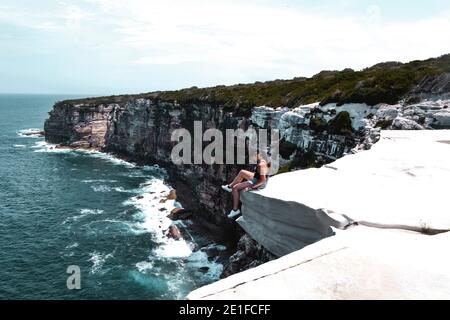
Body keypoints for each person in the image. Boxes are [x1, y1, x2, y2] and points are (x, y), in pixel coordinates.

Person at [222, 153, 271, 219]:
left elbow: (263, 180)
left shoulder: (261, 165)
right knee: (242, 172)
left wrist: (252, 187)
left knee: (235, 188)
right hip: (257, 178)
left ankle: (235, 210)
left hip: (259, 183)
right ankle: (229, 187)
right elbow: (261, 174)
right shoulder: (265, 160)